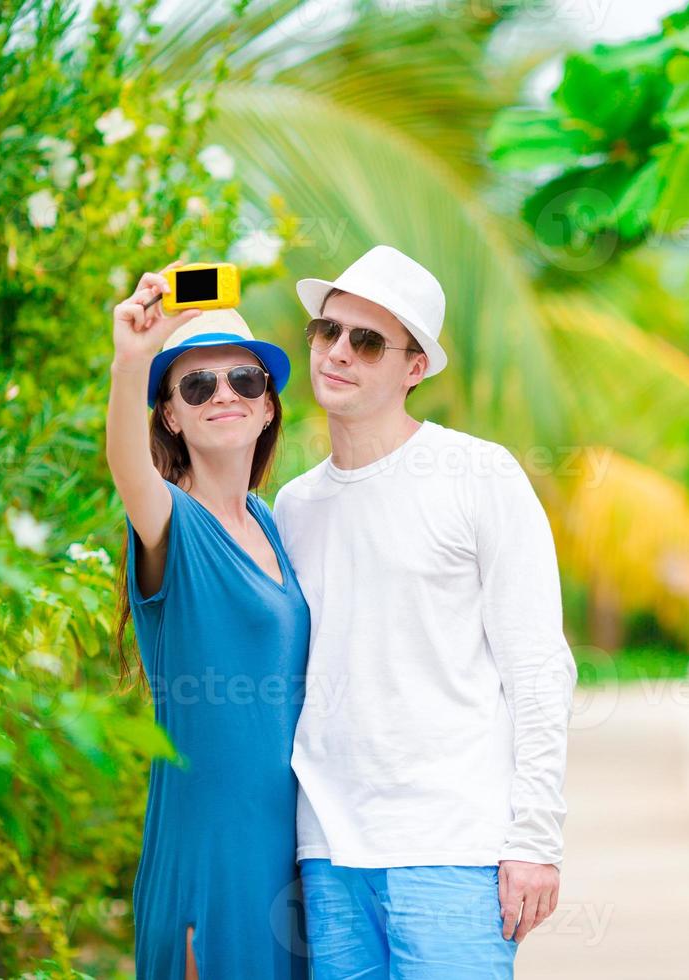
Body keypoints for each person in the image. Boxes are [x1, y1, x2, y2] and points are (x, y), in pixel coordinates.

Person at [274, 244, 577, 979]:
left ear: (414, 368)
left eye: (368, 340)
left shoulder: (478, 476)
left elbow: (538, 667)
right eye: (328, 330)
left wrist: (534, 840)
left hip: (453, 848)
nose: (339, 352)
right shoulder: (293, 506)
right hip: (329, 851)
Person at [107, 260, 309, 979]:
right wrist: (132, 362)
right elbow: (130, 470)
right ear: (172, 413)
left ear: (267, 406)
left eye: (244, 380)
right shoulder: (171, 520)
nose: (224, 394)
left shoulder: (272, 522)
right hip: (208, 856)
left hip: (287, 857)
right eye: (197, 384)